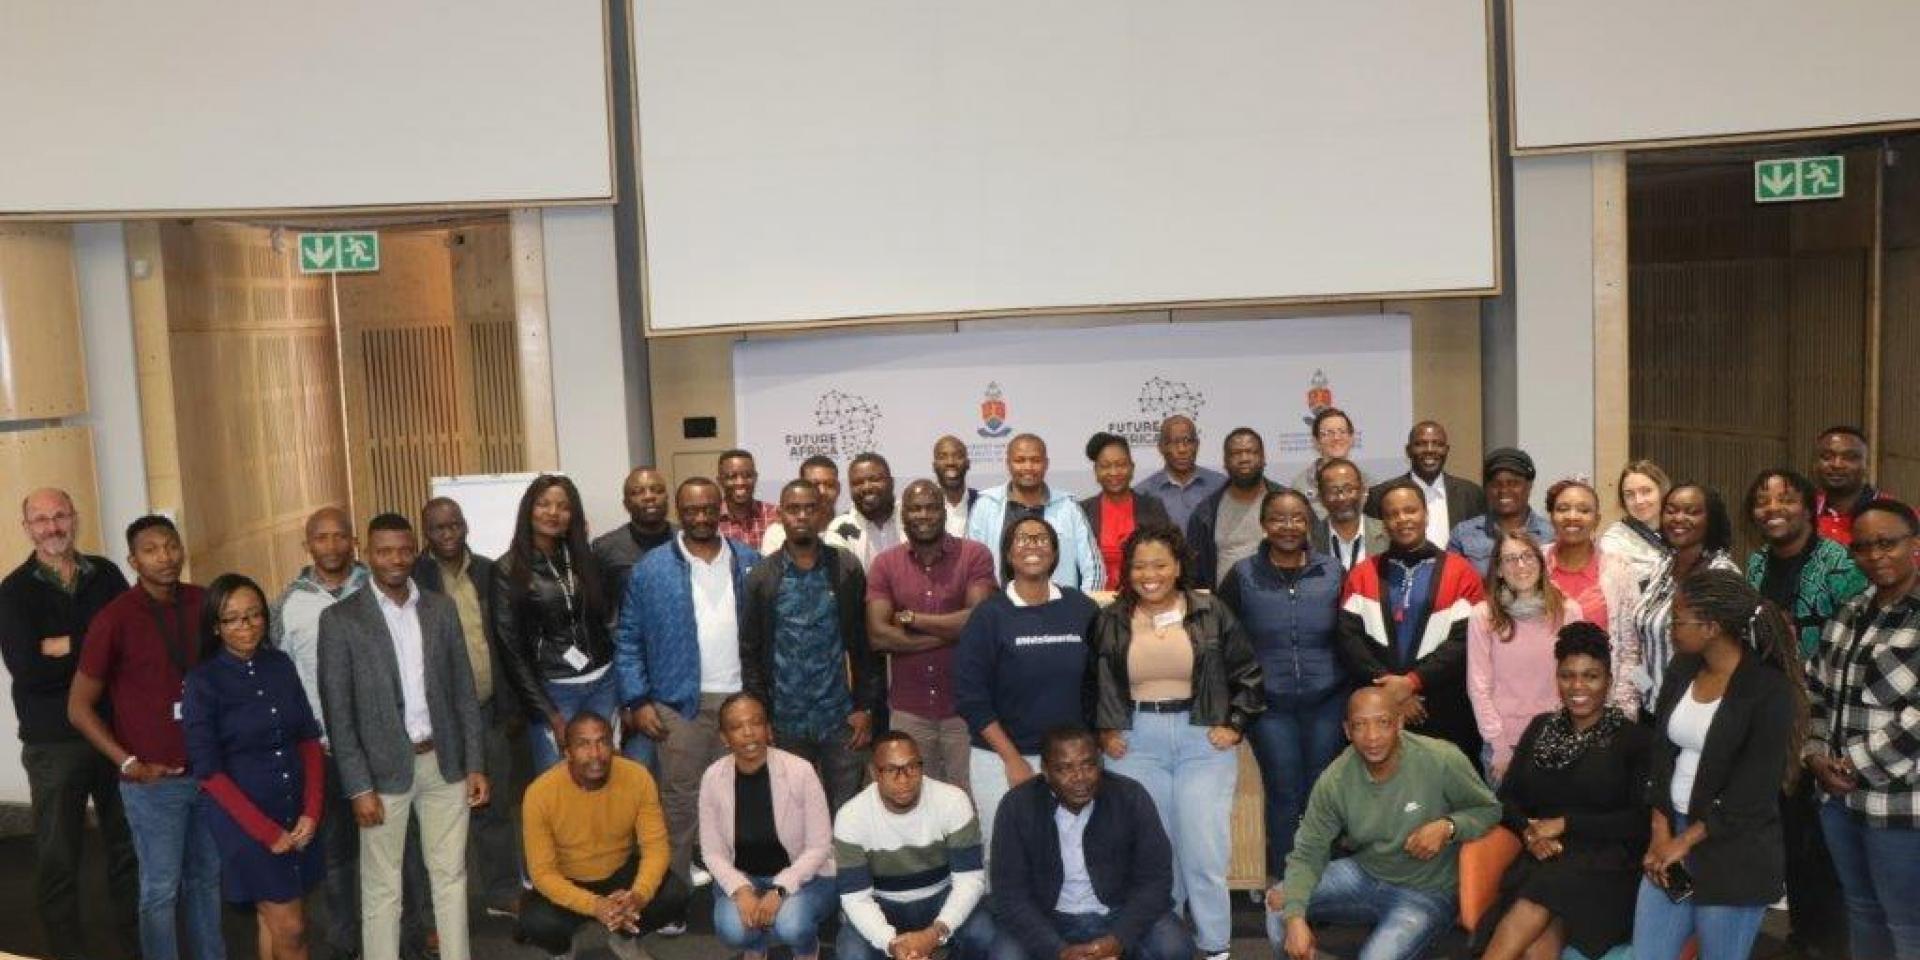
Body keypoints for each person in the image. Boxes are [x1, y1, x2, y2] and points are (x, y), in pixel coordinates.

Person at [317, 512, 490, 960]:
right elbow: (340, 715)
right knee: (382, 887)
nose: (395, 559)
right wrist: (358, 787)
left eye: (403, 549)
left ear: (416, 552)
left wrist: (474, 764)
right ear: (367, 555)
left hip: (445, 762)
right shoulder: (340, 621)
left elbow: (463, 694)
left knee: (451, 877)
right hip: (379, 774)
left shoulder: (440, 608)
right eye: (384, 551)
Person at [1091, 524, 1262, 960]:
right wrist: (1105, 730)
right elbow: (1091, 682)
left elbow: (1248, 672)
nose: (1150, 575)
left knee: (1204, 850)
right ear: (1127, 571)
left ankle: (1216, 946)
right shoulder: (1110, 617)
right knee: (1154, 854)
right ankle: (1166, 943)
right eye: (1139, 566)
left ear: (1178, 566)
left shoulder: (1210, 609)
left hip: (1201, 739)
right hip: (1135, 745)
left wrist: (1236, 724)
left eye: (1160, 565)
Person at [277, 508, 438, 953]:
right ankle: (350, 943)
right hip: (323, 751)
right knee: (338, 855)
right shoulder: (290, 603)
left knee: (405, 852)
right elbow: (280, 672)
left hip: (386, 748)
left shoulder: (383, 589)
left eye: (339, 536)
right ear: (306, 544)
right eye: (321, 538)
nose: (331, 546)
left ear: (354, 543)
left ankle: (410, 938)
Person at [68, 515, 223, 960]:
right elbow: (78, 708)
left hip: (209, 776)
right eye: (152, 550)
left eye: (171, 545)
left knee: (207, 882)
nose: (165, 557)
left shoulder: (205, 603)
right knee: (159, 890)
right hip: (153, 784)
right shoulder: (114, 618)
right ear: (134, 561)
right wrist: (128, 763)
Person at [1633, 569, 1803, 960]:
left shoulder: (1768, 689)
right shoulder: (1682, 669)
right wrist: (1661, 832)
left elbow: (1753, 790)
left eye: (1678, 620)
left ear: (1710, 626)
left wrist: (1684, 842)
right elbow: (1661, 753)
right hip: (1672, 832)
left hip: (1733, 849)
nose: (1670, 628)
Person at [0, 488, 139, 960]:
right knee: (59, 854)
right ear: (27, 529)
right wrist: (96, 648)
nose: (52, 527)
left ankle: (134, 940)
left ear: (74, 519)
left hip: (115, 734)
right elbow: (29, 670)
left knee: (127, 846)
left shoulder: (107, 574)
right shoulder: (13, 591)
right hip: (54, 742)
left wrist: (65, 645)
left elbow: (131, 644)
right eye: (40, 520)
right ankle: (64, 949)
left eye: (60, 515)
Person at [1270, 687, 1501, 960]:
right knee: (1279, 903)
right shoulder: (1335, 780)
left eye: (1383, 723)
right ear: (1347, 731)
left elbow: (1490, 810)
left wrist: (1449, 826)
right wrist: (1295, 918)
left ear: (1400, 723)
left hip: (1427, 892)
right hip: (1366, 875)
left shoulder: (1440, 759)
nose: (1372, 737)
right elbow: (1308, 852)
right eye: (1360, 726)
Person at [1472, 623, 1652, 960]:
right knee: (1537, 941)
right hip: (1543, 857)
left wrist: (1566, 824)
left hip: (1608, 868)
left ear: (1608, 681)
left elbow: (1640, 822)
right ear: (1557, 679)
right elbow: (1507, 800)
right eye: (1568, 676)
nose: (1578, 687)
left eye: (1591, 676)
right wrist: (1528, 832)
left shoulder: (1634, 740)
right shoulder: (1540, 728)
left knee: (1544, 892)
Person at [1747, 468, 1867, 960]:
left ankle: (1833, 942)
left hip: (1825, 714)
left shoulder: (1839, 563)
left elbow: (1857, 636)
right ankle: (1802, 935)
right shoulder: (1755, 563)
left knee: (1826, 840)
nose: (1773, 508)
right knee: (1790, 832)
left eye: (1785, 498)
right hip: (1771, 712)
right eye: (1762, 500)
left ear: (1808, 507)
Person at [615, 477, 759, 880]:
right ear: (680, 512)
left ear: (720, 510)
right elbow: (628, 638)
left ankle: (734, 886)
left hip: (740, 701)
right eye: (691, 510)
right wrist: (638, 700)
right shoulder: (652, 569)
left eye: (708, 509)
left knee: (735, 799)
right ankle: (673, 891)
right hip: (680, 703)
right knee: (680, 802)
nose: (700, 517)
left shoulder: (748, 560)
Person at [184, 573, 325, 960]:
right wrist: (265, 831)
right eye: (232, 619)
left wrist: (312, 811)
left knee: (272, 920)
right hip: (244, 821)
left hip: (295, 812)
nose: (246, 626)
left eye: (254, 615)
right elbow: (208, 772)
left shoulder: (280, 664)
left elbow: (308, 739)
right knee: (293, 930)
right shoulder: (202, 682)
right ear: (215, 626)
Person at [1804, 499, 1920, 960]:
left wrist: (1855, 763)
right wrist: (1814, 755)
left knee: (1908, 923)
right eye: (1864, 547)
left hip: (1900, 804)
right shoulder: (1849, 613)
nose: (1876, 555)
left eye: (1887, 543)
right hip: (1838, 801)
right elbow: (1815, 691)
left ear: (1914, 544)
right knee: (1861, 911)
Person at [1217, 488, 1349, 888]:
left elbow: (1352, 634)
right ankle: (1288, 884)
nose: (1288, 527)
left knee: (1320, 794)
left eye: (1297, 519)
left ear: (1309, 524)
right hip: (1269, 706)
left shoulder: (1331, 572)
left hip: (1328, 700)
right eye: (1278, 518)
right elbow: (1223, 640)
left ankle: (1321, 884)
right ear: (1263, 524)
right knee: (1284, 793)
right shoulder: (1242, 576)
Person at [953, 515, 1100, 852]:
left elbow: (1101, 682)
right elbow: (970, 697)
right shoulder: (989, 615)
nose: (1032, 544)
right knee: (1008, 850)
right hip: (1001, 758)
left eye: (1041, 538)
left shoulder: (1082, 608)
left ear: (1055, 552)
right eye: (1022, 538)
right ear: (1007, 555)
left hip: (1071, 760)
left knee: (1072, 849)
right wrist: (1013, 760)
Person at [988, 727, 1195, 960]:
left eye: (1088, 765)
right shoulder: (1017, 806)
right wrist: (1057, 950)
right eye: (1064, 768)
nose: (1079, 777)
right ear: (1045, 771)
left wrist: (1119, 938)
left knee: (1174, 948)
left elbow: (1156, 879)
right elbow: (1010, 894)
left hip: (1119, 913)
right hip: (1046, 917)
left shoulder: (1130, 796)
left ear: (1100, 764)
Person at [413, 496, 523, 921]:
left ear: (465, 527)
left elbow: (504, 639)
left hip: (487, 709)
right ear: (427, 533)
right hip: (434, 719)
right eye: (438, 528)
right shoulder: (415, 577)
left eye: (454, 525)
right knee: (436, 815)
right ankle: (437, 908)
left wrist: (511, 705)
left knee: (493, 808)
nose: (447, 534)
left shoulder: (488, 571)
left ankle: (500, 890)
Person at [740, 480, 880, 811]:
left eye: (809, 508)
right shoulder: (762, 577)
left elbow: (863, 644)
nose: (801, 516)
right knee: (792, 811)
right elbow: (750, 652)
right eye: (793, 508)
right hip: (785, 722)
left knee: (846, 811)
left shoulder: (844, 567)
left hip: (840, 720)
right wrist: (762, 715)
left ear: (822, 513)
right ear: (781, 515)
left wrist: (865, 707)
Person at [1337, 482, 1489, 764]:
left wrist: (1412, 682)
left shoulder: (1461, 572)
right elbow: (1349, 640)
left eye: (1410, 510)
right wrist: (1392, 692)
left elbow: (1465, 641)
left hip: (1446, 709)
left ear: (1426, 514)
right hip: (1380, 712)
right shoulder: (1361, 574)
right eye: (1393, 514)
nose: (1402, 519)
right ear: (1383, 523)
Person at [518, 711, 689, 960]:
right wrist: (595, 905)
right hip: (568, 878)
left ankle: (624, 938)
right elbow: (542, 873)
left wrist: (638, 896)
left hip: (619, 873)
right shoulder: (539, 794)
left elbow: (656, 849)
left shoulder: (637, 778)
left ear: (613, 745)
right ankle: (562, 950)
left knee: (675, 894)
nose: (595, 754)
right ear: (567, 752)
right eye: (583, 745)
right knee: (536, 922)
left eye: (602, 742)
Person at [869, 480, 997, 791]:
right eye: (915, 508)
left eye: (931, 507)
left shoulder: (974, 555)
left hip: (966, 710)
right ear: (904, 515)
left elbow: (980, 621)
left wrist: (913, 619)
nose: (923, 515)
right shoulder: (885, 563)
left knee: (970, 802)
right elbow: (879, 637)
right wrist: (954, 633)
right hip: (908, 712)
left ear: (944, 512)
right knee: (913, 801)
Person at [832, 731, 995, 960]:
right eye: (891, 770)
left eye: (912, 767)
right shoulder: (851, 816)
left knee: (983, 934)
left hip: (940, 896)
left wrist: (935, 933)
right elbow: (856, 897)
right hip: (882, 904)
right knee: (851, 953)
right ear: (874, 772)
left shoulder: (952, 801)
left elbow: (970, 880)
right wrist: (891, 943)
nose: (904, 779)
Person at [493, 475, 618, 772]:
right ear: (529, 510)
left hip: (604, 683)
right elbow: (510, 650)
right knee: (559, 780)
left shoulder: (586, 558)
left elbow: (609, 623)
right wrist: (547, 712)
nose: (553, 513)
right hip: (555, 691)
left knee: (604, 773)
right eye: (544, 504)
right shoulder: (507, 569)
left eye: (563, 506)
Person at [698, 694, 837, 960]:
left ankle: (806, 946)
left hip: (805, 878)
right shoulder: (713, 778)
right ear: (724, 738)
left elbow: (819, 846)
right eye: (737, 727)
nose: (749, 733)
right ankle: (756, 944)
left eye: (757, 723)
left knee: (792, 925)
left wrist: (780, 890)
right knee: (732, 930)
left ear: (769, 729)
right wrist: (741, 891)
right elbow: (712, 852)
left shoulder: (800, 771)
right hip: (745, 876)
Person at [1618, 483, 1741, 716]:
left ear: (1711, 520)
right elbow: (1645, 644)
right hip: (1652, 709)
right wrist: (1643, 690)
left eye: (1692, 512)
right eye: (1671, 510)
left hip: (1695, 712)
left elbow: (1727, 654)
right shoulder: (1664, 565)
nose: (1678, 518)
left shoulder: (1721, 575)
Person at [1468, 532, 1578, 783]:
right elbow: (1478, 686)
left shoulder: (1568, 611)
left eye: (1528, 556)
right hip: (1505, 744)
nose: (1521, 565)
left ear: (1541, 562)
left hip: (1559, 737)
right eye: (1510, 559)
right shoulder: (1483, 616)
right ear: (1498, 570)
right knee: (1509, 822)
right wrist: (1499, 746)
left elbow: (1576, 680)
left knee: (1554, 821)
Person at [966, 434, 1103, 589]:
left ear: (1046, 464)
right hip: (1000, 609)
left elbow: (1093, 568)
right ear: (1008, 463)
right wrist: (986, 609)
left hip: (1058, 609)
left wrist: (1083, 608)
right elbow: (971, 565)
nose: (1028, 467)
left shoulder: (1068, 507)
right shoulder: (986, 505)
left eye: (1035, 460)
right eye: (1020, 460)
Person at [1187, 426, 1285, 587]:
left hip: (1277, 603)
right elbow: (1196, 574)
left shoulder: (1286, 502)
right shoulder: (1205, 512)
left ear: (1263, 458)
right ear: (1225, 462)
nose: (1244, 458)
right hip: (1226, 607)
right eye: (1236, 454)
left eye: (1251, 452)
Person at [1364, 420, 1487, 548]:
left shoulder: (1471, 494)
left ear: (1446, 450)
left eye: (1437, 444)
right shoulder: (1380, 495)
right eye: (1421, 444)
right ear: (1408, 450)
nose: (1430, 450)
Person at [1079, 432, 1171, 592]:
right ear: (1096, 471)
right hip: (1096, 600)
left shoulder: (1152, 507)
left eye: (1121, 464)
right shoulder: (1082, 511)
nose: (1114, 472)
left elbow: (1167, 556)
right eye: (1105, 466)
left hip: (1144, 598)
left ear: (1132, 468)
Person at [1542, 476, 1630, 639]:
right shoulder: (1535, 562)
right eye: (1563, 509)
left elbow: (1630, 641)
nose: (1572, 516)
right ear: (1552, 517)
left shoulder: (1617, 568)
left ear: (1597, 520)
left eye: (1583, 510)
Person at [1449, 447, 1556, 574]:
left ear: (1529, 486)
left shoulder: (1551, 534)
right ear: (1486, 489)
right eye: (1496, 484)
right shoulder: (1463, 534)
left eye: (1513, 484)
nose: (1504, 491)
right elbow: (1454, 582)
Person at [592, 466, 675, 607]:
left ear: (667, 498)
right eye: (637, 492)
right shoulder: (605, 548)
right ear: (626, 504)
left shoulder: (686, 540)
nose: (649, 497)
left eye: (657, 490)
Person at [1134, 414, 1226, 535]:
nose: (1182, 449)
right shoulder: (1143, 492)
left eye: (1187, 441)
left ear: (1197, 445)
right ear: (1161, 447)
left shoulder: (1220, 485)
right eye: (1173, 442)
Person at [822, 452, 903, 569]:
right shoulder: (840, 528)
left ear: (891, 482)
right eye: (857, 483)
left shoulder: (909, 518)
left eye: (874, 479)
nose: (867, 487)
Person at [1289, 408, 1372, 519]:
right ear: (1316, 441)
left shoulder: (1369, 483)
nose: (1336, 438)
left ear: (1351, 438)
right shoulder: (1300, 486)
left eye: (1342, 432)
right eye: (1328, 433)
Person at [1598, 459, 1671, 581]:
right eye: (1629, 494)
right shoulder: (1615, 540)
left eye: (1646, 491)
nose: (1639, 500)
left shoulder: (1679, 531)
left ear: (1662, 491)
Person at [1309, 457, 1385, 572]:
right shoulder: (1308, 540)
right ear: (1321, 497)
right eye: (1333, 491)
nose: (1342, 498)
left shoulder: (1387, 534)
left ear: (1363, 490)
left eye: (1349, 489)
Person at [1813, 426, 1886, 545]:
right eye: (1827, 457)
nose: (1837, 465)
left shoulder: (1896, 515)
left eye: (1850, 458)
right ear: (1815, 464)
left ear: (1866, 465)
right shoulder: (1803, 513)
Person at [717, 449, 782, 551]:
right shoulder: (711, 519)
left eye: (747, 476)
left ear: (755, 477)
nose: (740, 482)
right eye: (732, 477)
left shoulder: (776, 515)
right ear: (720, 481)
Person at [934, 435, 980, 539]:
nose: (950, 462)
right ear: (934, 465)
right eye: (942, 457)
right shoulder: (922, 507)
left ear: (968, 464)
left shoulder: (982, 503)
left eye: (958, 456)